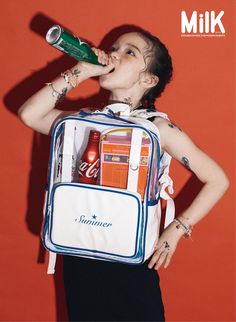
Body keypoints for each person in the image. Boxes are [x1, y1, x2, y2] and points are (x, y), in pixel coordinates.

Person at [18, 26, 229, 321]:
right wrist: (81, 70)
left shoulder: (158, 128)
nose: (114, 54)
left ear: (148, 79)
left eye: (129, 52)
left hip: (129, 265)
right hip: (80, 257)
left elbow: (218, 179)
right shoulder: (85, 121)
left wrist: (176, 231)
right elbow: (30, 114)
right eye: (114, 48)